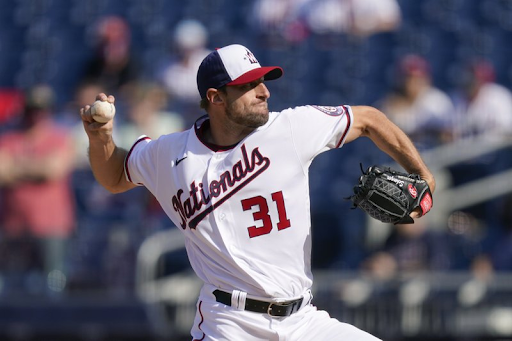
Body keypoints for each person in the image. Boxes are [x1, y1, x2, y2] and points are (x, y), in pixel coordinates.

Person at [80, 44, 435, 340]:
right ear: (215, 97)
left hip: (303, 321)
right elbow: (113, 177)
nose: (264, 91)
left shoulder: (291, 128)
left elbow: (369, 119)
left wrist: (421, 174)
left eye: (263, 81)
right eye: (249, 85)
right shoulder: (168, 154)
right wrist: (101, 139)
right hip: (228, 324)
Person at [0, 84, 76, 294]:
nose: (37, 115)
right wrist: (37, 166)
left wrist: (18, 166)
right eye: (33, 110)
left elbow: (53, 171)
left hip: (51, 226)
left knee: (53, 283)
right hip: (14, 225)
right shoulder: (9, 138)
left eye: (42, 110)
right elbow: (2, 172)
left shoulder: (60, 137)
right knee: (13, 286)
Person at [377, 54, 455, 150]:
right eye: (408, 78)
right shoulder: (390, 103)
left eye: (417, 78)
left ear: (426, 79)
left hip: (435, 156)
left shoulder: (437, 101)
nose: (411, 83)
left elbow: (449, 137)